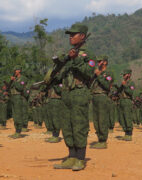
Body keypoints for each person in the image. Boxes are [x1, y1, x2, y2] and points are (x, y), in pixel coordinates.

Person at [52, 24, 95, 171]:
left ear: (82, 36)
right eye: (70, 35)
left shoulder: (88, 55)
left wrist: (76, 59)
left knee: (79, 126)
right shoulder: (69, 55)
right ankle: (71, 156)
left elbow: (89, 73)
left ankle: (80, 159)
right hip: (67, 93)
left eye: (74, 34)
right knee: (67, 126)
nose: (70, 37)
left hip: (79, 93)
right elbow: (62, 75)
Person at [90, 55, 113, 148]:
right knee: (96, 119)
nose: (98, 63)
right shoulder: (96, 73)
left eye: (100, 61)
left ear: (105, 62)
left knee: (102, 119)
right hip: (94, 96)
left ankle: (103, 140)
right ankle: (99, 139)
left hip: (102, 96)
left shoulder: (108, 73)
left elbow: (107, 86)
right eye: (98, 61)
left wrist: (99, 76)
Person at [8, 66, 29, 139]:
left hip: (18, 97)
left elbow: (20, 87)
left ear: (19, 71)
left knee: (18, 114)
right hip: (13, 97)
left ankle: (19, 131)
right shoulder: (15, 79)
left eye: (16, 70)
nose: (14, 72)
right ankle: (16, 130)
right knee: (14, 115)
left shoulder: (23, 78)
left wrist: (14, 81)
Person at [117, 69, 135, 141]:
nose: (123, 76)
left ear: (129, 75)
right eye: (123, 75)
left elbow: (131, 92)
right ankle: (125, 132)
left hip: (127, 100)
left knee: (127, 117)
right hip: (121, 101)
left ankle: (129, 134)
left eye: (125, 75)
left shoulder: (131, 83)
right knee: (122, 118)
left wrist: (125, 86)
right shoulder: (123, 83)